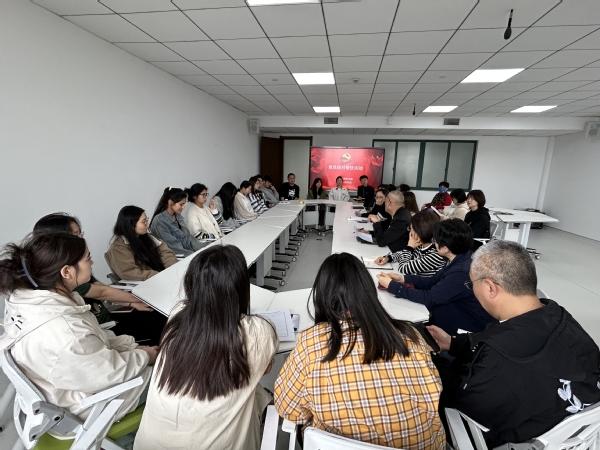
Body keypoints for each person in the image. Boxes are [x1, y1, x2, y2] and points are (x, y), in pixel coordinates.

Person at [427, 240, 600, 448]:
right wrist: (454, 343)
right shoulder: (558, 315)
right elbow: (499, 339)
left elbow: (462, 401)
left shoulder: (497, 357)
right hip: (576, 427)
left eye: (472, 284)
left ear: (490, 287)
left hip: (518, 440)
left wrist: (432, 366)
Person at [274, 253, 445, 449]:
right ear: (368, 290)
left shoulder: (311, 342)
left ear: (321, 295)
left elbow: (289, 409)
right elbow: (433, 389)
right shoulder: (410, 334)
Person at [134, 245, 278, 450]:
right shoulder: (259, 332)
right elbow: (264, 367)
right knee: (249, 390)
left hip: (149, 443)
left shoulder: (177, 314)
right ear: (240, 287)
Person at [0, 232, 155, 422]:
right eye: (88, 258)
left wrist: (133, 347)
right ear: (67, 272)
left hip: (72, 382)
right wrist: (145, 356)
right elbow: (109, 373)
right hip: (88, 405)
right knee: (179, 375)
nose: (92, 262)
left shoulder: (30, 299)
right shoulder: (64, 331)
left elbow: (94, 341)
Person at [377, 219, 495, 335]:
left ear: (446, 248)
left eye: (435, 241)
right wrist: (403, 278)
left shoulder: (462, 271)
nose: (434, 243)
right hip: (451, 310)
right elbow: (433, 280)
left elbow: (429, 297)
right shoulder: (460, 256)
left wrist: (393, 286)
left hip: (463, 323)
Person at [106, 206, 178, 281]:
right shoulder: (119, 247)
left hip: (162, 277)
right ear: (131, 225)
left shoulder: (146, 236)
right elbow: (128, 272)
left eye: (147, 220)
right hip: (147, 282)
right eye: (144, 222)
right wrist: (158, 275)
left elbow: (165, 252)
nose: (147, 224)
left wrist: (171, 268)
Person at [374, 210, 446, 277]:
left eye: (410, 229)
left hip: (421, 286)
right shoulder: (421, 245)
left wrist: (409, 247)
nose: (409, 231)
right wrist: (388, 258)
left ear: (419, 232)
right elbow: (402, 254)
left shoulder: (435, 255)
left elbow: (403, 268)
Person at [150, 187, 206, 257]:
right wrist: (195, 256)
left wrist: (204, 249)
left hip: (188, 254)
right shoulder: (159, 221)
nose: (183, 207)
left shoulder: (178, 216)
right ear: (170, 202)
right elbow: (174, 247)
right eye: (181, 204)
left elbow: (189, 238)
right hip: (177, 258)